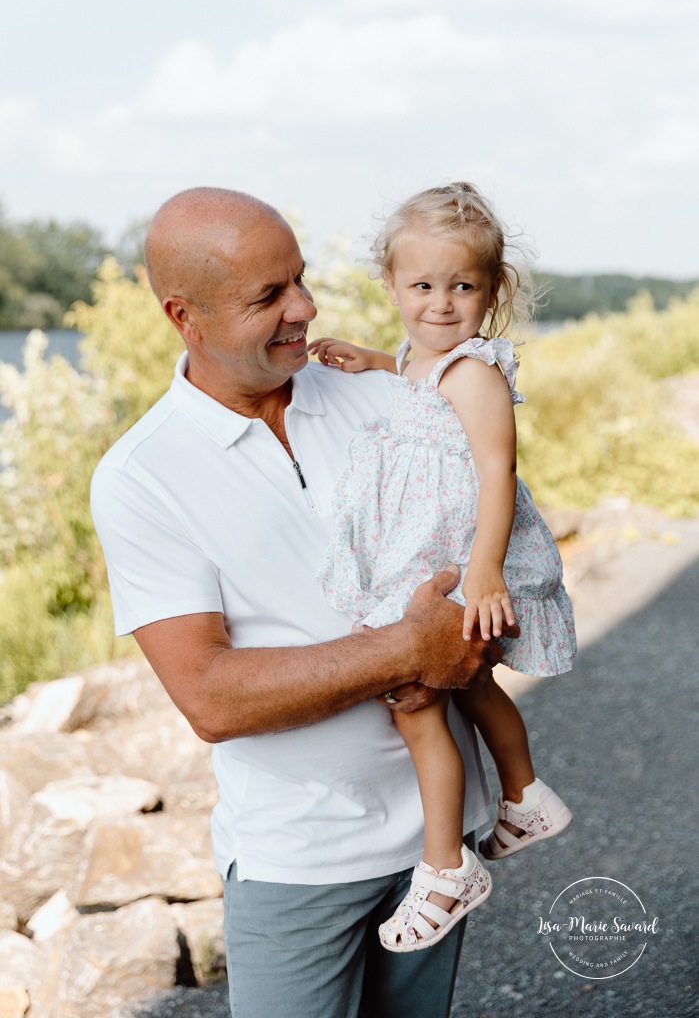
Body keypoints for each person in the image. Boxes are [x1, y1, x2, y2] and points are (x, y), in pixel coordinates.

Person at [90, 186, 514, 1018]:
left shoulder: (385, 396)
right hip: (298, 859)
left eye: (300, 279)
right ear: (186, 315)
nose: (305, 308)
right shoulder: (141, 477)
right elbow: (208, 697)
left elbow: (496, 550)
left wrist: (478, 628)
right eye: (267, 296)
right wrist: (409, 649)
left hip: (437, 845)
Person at [309, 181, 576, 953]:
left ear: (492, 291)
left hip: (459, 561)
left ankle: (444, 868)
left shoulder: (475, 373)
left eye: (461, 286)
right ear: (391, 287)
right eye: (421, 285)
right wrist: (371, 360)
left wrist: (484, 572)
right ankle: (523, 796)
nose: (439, 302)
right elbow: (415, 379)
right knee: (472, 682)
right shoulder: (425, 361)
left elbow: (497, 470)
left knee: (416, 698)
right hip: (434, 553)